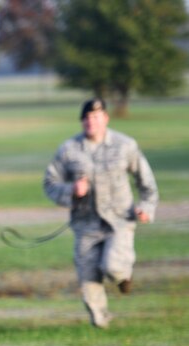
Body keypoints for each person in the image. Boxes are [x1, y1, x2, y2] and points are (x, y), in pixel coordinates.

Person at [43, 98, 159, 328]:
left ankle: (123, 277)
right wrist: (72, 191)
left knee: (113, 267)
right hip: (85, 224)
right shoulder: (69, 150)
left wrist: (146, 208)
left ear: (105, 118)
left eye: (95, 117)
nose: (90, 122)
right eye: (86, 118)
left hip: (119, 220)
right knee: (88, 278)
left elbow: (146, 182)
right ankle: (101, 322)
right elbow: (50, 183)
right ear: (81, 121)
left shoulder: (125, 145)